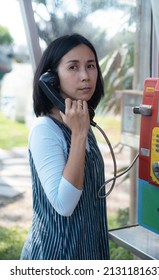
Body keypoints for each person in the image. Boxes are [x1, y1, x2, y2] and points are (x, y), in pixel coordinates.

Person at [20, 33, 109, 260]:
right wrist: (79, 135)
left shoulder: (82, 123)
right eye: (73, 67)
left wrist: (80, 131)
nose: (85, 76)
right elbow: (64, 204)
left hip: (89, 251)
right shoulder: (45, 130)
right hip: (56, 256)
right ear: (51, 79)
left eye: (90, 66)